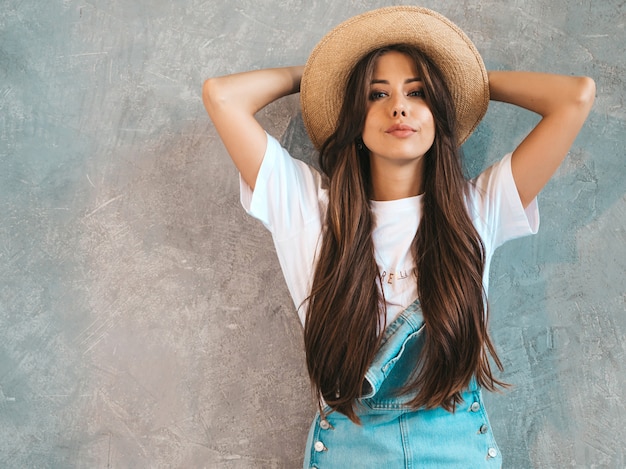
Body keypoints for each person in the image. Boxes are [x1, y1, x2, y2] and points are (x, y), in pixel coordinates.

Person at [202, 6, 595, 468]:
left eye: (419, 93)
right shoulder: (308, 209)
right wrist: (319, 77)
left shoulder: (478, 208)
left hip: (457, 449)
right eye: (376, 94)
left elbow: (576, 97)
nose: (399, 107)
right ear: (355, 117)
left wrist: (469, 81)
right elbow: (222, 96)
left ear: (438, 113)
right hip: (352, 450)